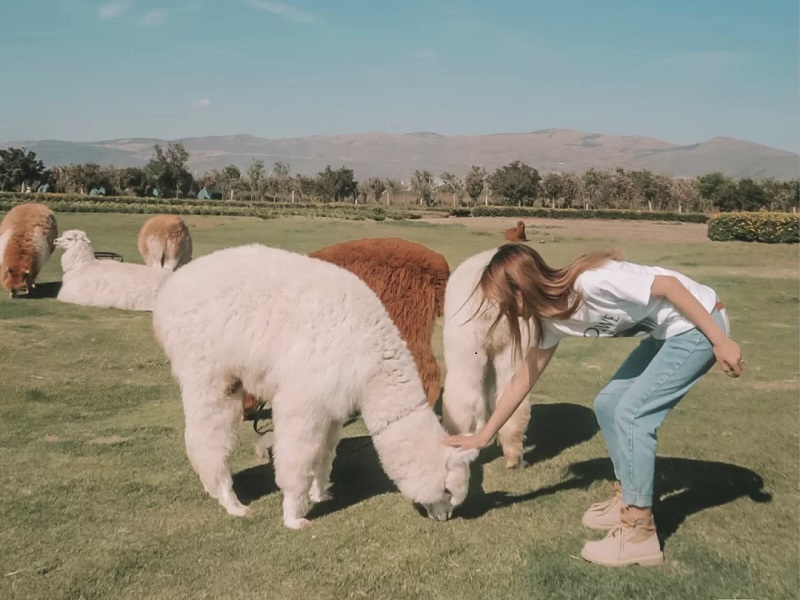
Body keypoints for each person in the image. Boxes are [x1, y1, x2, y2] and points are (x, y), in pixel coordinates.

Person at [443, 243, 743, 567]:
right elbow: (522, 380)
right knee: (609, 405)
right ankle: (628, 497)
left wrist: (720, 340)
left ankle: (639, 532)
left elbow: (669, 286)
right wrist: (484, 434)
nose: (504, 311)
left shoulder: (592, 283)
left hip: (700, 326)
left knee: (633, 416)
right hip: (667, 333)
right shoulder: (550, 322)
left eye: (502, 302)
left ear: (520, 291)